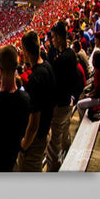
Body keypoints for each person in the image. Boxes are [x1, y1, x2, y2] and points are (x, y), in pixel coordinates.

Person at [46, 21, 85, 171]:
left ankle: (54, 170)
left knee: (53, 144)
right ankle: (68, 154)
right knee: (64, 134)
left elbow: (53, 82)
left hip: (60, 105)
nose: (52, 40)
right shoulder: (69, 54)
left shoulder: (63, 59)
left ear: (61, 38)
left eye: (54, 37)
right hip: (67, 102)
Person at [18, 30, 56, 172]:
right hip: (46, 130)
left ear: (25, 50)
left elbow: (34, 122)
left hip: (36, 139)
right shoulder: (47, 66)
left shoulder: (35, 78)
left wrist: (24, 145)